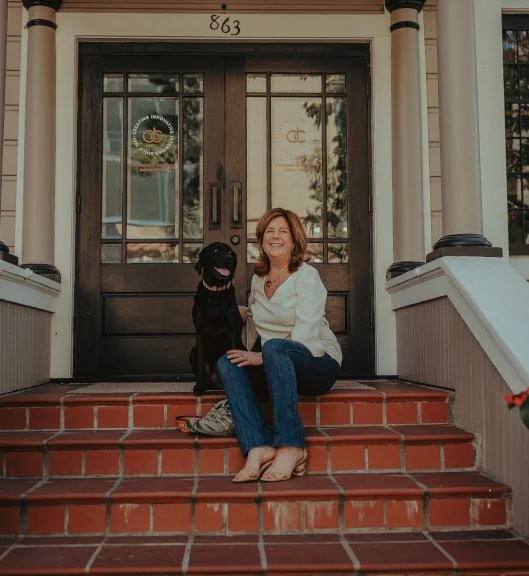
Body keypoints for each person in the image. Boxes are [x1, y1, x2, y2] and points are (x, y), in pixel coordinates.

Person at [216, 207, 342, 483]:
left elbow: (306, 333)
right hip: (274, 363)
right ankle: (258, 445)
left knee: (273, 347)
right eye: (269, 232)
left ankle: (292, 445)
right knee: (228, 362)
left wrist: (261, 356)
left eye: (282, 231)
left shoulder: (306, 276)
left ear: (294, 239)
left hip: (316, 363)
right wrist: (237, 312)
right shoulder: (259, 279)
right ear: (261, 240)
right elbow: (256, 324)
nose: (275, 237)